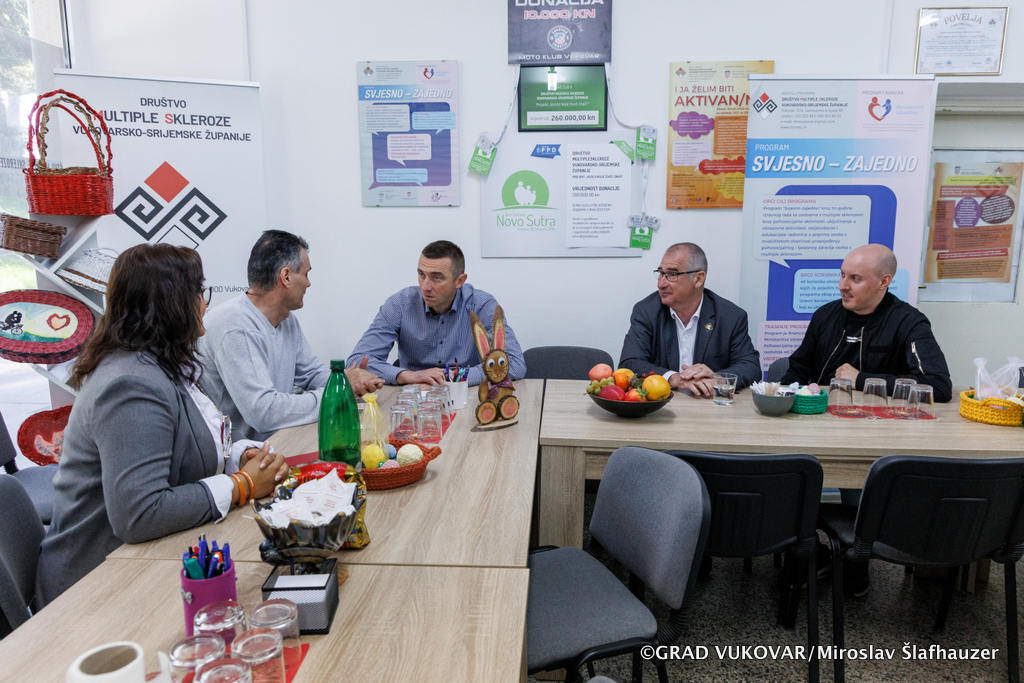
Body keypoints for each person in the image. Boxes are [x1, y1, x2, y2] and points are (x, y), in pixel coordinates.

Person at [37, 244, 289, 604]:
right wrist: (242, 485)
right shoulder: (129, 384)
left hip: (143, 561)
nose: (205, 303)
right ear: (171, 304)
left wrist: (237, 458)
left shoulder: (161, 363)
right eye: (199, 292)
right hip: (95, 587)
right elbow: (140, 514)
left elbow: (179, 453)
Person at [199, 230, 382, 441]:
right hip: (239, 454)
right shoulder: (234, 325)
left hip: (276, 444)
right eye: (306, 274)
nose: (308, 283)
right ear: (286, 277)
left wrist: (345, 381)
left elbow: (311, 374)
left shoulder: (286, 319)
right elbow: (264, 412)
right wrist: (338, 392)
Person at [780, 243, 952, 402]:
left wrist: (861, 380)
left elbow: (938, 386)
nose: (842, 286)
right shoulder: (825, 315)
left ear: (883, 282)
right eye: (842, 275)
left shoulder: (908, 322)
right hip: (823, 412)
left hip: (880, 416)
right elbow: (798, 370)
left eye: (855, 278)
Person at [348, 240, 526, 386]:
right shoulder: (399, 305)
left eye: (436, 277)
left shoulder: (482, 306)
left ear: (459, 281)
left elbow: (514, 364)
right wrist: (407, 375)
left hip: (467, 395)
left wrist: (451, 377)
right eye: (421, 274)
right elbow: (357, 362)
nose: (425, 287)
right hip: (412, 397)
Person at [619, 242, 761, 396]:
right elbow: (630, 363)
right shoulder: (647, 311)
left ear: (698, 279)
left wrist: (718, 379)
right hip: (664, 404)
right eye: (661, 273)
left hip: (709, 405)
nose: (661, 284)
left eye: (672, 275)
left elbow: (751, 366)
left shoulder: (730, 316)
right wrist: (675, 378)